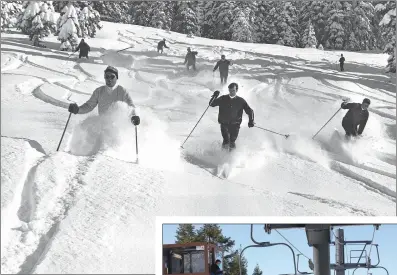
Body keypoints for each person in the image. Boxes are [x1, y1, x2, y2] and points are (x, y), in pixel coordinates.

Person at [68, 65, 140, 126]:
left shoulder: (122, 91)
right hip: (103, 128)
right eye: (107, 76)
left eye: (112, 76)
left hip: (118, 130)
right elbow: (89, 106)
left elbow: (131, 106)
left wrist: (134, 116)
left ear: (116, 78)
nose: (109, 79)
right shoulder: (99, 91)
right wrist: (78, 109)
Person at [209, 83, 255, 151]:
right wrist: (215, 96)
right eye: (230, 90)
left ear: (236, 90)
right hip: (224, 123)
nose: (231, 92)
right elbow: (211, 104)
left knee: (232, 141)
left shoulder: (241, 101)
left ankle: (231, 157)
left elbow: (250, 111)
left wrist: (251, 121)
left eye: (233, 90)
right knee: (226, 140)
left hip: (235, 124)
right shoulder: (223, 98)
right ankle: (223, 156)